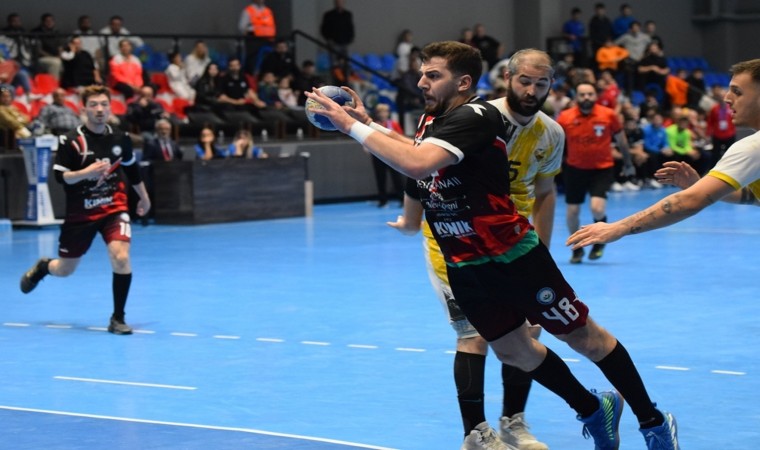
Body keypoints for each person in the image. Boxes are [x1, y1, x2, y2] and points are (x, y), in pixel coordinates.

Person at [306, 40, 679, 450]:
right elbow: (414, 155)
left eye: (433, 75)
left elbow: (416, 163)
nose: (422, 82)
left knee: (583, 337)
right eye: (423, 74)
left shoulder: (478, 116)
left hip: (512, 256)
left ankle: (653, 421)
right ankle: (593, 408)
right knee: (514, 350)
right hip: (464, 263)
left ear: (463, 82)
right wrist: (368, 123)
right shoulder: (433, 119)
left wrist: (349, 126)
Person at [387, 48, 566, 450]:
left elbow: (545, 192)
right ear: (508, 78)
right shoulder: (471, 116)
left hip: (514, 242)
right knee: (473, 335)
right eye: (525, 81)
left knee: (528, 331)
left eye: (541, 83)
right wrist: (412, 220)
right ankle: (475, 432)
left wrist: (543, 251)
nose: (532, 90)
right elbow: (419, 163)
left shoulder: (551, 133)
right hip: (455, 241)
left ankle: (514, 421)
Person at [567, 58, 760, 261]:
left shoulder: (752, 147)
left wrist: (618, 227)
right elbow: (753, 196)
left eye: (737, 92)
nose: (727, 98)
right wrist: (700, 186)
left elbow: (690, 202)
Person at [19, 84, 151, 335]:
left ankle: (118, 318)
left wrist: (143, 198)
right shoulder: (70, 141)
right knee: (65, 270)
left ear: (110, 108)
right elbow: (61, 178)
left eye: (104, 104)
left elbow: (132, 170)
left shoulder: (120, 138)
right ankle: (44, 267)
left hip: (114, 207)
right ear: (84, 109)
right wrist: (86, 173)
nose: (99, 109)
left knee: (121, 257)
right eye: (93, 105)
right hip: (81, 215)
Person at [557, 82, 634, 263]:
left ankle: (600, 241)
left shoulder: (608, 115)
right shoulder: (565, 117)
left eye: (590, 94)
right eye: (582, 94)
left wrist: (628, 162)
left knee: (597, 208)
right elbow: (555, 142)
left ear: (595, 96)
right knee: (572, 212)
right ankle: (577, 248)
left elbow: (621, 140)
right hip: (574, 169)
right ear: (576, 97)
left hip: (602, 168)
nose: (586, 97)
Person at [366, 103, 404, 207]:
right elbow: (368, 137)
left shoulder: (394, 124)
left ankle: (402, 199)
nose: (383, 114)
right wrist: (367, 146)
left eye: (385, 111)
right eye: (381, 112)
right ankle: (382, 200)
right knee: (380, 177)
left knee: (397, 177)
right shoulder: (373, 125)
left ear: (388, 113)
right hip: (378, 154)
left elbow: (400, 138)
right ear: (377, 113)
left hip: (392, 154)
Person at [238, 0, 277, 75]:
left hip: (268, 40)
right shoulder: (249, 10)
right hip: (254, 40)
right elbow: (242, 27)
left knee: (268, 60)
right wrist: (253, 30)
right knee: (253, 61)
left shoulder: (268, 11)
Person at [320, 0, 355, 67]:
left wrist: (350, 38)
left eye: (341, 2)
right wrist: (328, 39)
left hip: (345, 43)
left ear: (344, 3)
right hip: (333, 43)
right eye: (338, 2)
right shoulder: (328, 15)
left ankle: (345, 73)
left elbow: (350, 27)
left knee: (346, 63)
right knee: (334, 64)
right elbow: (323, 29)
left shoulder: (348, 14)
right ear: (335, 3)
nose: (339, 4)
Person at [30, 13, 64, 80]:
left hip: (56, 57)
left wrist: (60, 56)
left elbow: (60, 47)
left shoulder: (56, 32)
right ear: (42, 22)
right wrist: (53, 57)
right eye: (47, 21)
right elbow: (38, 50)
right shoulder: (36, 32)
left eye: (51, 21)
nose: (49, 23)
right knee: (55, 63)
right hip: (41, 58)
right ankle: (54, 85)